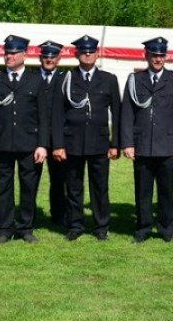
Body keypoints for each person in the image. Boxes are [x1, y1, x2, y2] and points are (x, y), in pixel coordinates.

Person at [0, 35, 49, 244]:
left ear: (24, 55)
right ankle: (4, 228)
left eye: (13, 53)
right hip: (1, 143)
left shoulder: (36, 80)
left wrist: (43, 144)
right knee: (3, 188)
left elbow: (43, 116)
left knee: (29, 187)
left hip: (29, 144)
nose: (9, 56)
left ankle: (25, 227)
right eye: (7, 53)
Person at [120, 37, 173, 243]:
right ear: (146, 56)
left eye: (161, 55)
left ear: (165, 56)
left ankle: (167, 230)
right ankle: (142, 229)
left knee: (166, 192)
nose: (158, 59)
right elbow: (127, 113)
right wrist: (128, 143)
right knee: (143, 192)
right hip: (142, 145)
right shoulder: (135, 80)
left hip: (167, 145)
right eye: (154, 55)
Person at [51, 35, 121, 241]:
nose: (87, 54)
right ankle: (75, 225)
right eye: (83, 51)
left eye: (91, 51)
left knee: (100, 187)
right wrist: (58, 144)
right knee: (73, 186)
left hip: (100, 142)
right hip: (72, 142)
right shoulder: (65, 79)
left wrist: (115, 143)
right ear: (76, 54)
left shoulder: (109, 79)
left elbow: (117, 112)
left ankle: (101, 226)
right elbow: (56, 114)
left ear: (97, 53)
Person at [36, 40, 68, 226]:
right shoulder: (31, 78)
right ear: (40, 58)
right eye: (46, 56)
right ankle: (28, 216)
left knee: (59, 180)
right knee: (31, 181)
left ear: (59, 58)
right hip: (35, 139)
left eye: (52, 57)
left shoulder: (65, 79)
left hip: (58, 139)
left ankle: (59, 215)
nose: (49, 59)